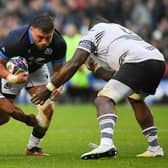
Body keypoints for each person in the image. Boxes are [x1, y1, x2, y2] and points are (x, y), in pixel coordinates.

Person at [31, 16, 165, 159]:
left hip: (137, 62)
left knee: (103, 99)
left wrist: (49, 88)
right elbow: (115, 79)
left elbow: (74, 63)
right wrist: (95, 68)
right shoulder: (120, 30)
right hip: (157, 60)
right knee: (136, 98)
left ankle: (106, 145)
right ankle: (155, 148)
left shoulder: (93, 32)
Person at [0, 13, 66, 156]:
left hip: (36, 69)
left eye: (47, 38)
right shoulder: (15, 40)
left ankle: (33, 148)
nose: (43, 42)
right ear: (31, 30)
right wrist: (12, 78)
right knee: (4, 116)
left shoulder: (59, 44)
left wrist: (57, 86)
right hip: (12, 72)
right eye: (39, 37)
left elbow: (59, 71)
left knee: (47, 108)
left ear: (53, 32)